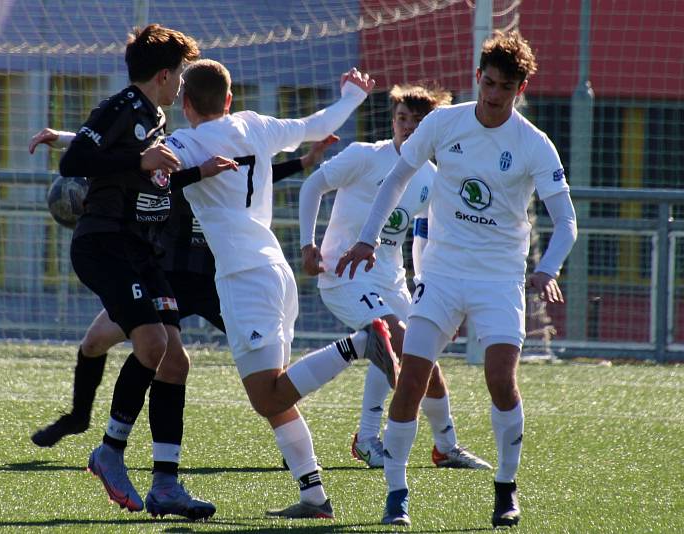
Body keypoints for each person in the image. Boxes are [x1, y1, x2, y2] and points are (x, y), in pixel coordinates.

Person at [336, 31, 577, 528]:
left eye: (504, 87)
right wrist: (365, 237)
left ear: (521, 87)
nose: (492, 95)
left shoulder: (534, 144)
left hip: (498, 278)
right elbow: (397, 178)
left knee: (500, 380)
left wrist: (548, 267)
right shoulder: (445, 123)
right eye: (487, 83)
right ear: (477, 78)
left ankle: (506, 490)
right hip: (441, 274)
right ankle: (397, 495)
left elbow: (566, 221)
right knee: (411, 381)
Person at [165, 59, 397, 519]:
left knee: (267, 395)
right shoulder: (254, 124)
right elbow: (317, 126)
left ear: (184, 103)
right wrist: (352, 95)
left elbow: (140, 166)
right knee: (277, 396)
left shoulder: (184, 142)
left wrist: (76, 143)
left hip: (243, 277)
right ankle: (314, 497)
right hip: (274, 269)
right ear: (229, 100)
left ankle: (362, 343)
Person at [29, 130, 338, 449]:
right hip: (168, 280)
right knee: (94, 342)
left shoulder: (227, 172)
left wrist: (305, 160)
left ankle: (293, 444)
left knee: (268, 367)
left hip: (218, 283)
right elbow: (123, 146)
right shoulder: (176, 165)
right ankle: (79, 416)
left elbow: (259, 176)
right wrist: (66, 140)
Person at [58, 24, 237, 520]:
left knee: (173, 361)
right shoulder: (122, 108)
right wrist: (139, 158)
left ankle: (165, 486)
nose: (183, 84)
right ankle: (110, 452)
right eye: (181, 73)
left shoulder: (154, 118)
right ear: (164, 74)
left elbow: (154, 171)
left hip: (139, 252)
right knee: (155, 347)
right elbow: (76, 159)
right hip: (105, 243)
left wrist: (199, 172)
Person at [298, 84, 491, 471]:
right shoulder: (365, 156)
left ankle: (445, 446)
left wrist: (426, 289)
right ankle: (368, 438)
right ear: (394, 120)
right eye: (402, 118)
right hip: (344, 278)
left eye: (417, 121)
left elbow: (424, 235)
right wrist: (308, 244)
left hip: (392, 282)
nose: (407, 126)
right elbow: (313, 184)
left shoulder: (434, 178)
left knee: (423, 355)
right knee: (394, 337)